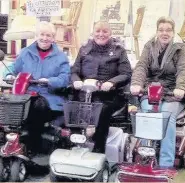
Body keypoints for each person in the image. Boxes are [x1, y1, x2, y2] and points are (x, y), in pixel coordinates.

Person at [5, 21, 70, 152]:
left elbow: (65, 78)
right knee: (8, 104)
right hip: (25, 96)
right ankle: (10, 142)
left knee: (36, 106)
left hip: (50, 98)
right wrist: (9, 76)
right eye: (42, 34)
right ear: (36, 36)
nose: (45, 38)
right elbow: (13, 70)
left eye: (48, 35)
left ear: (53, 38)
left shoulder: (61, 57)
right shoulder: (25, 53)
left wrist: (50, 80)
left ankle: (32, 147)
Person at [130, 16, 185, 167]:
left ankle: (166, 164)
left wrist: (181, 87)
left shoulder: (181, 49)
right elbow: (141, 66)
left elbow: (183, 70)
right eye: (161, 30)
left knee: (167, 117)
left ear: (173, 33)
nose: (164, 33)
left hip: (172, 94)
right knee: (147, 114)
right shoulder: (149, 46)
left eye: (168, 30)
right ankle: (145, 156)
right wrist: (136, 84)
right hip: (152, 90)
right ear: (157, 31)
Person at [71, 21, 132, 153]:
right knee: (71, 107)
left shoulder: (118, 50)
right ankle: (73, 147)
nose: (101, 34)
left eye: (105, 31)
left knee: (101, 110)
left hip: (109, 96)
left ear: (110, 33)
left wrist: (112, 83)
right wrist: (76, 80)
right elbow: (75, 70)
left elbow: (126, 74)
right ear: (93, 32)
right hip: (85, 93)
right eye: (98, 31)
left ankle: (98, 151)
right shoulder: (84, 49)